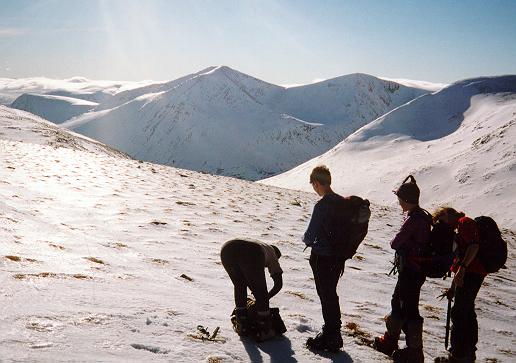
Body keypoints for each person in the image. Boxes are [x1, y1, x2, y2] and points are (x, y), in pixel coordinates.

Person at [374, 175, 431, 363]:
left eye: (400, 198)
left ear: (406, 200)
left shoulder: (414, 219)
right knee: (398, 302)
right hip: (416, 269)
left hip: (411, 270)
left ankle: (414, 351)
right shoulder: (422, 217)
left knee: (409, 308)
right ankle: (391, 340)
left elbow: (395, 242)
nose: (398, 202)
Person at [303, 165, 346, 352]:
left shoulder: (321, 206)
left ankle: (331, 335)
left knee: (325, 295)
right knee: (331, 294)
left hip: (322, 258)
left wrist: (306, 240)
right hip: (338, 259)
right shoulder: (342, 202)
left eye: (313, 183)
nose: (313, 187)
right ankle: (333, 333)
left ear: (318, 183)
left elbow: (309, 236)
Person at [436, 213, 487, 363]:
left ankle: (458, 355)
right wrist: (452, 287)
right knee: (466, 310)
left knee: (459, 312)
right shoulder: (457, 231)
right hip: (472, 272)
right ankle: (468, 353)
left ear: (447, 215)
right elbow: (458, 261)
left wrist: (463, 268)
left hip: (473, 272)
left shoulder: (463, 223)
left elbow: (474, 246)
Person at [220, 238, 283, 340]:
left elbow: (249, 278)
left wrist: (257, 293)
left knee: (239, 285)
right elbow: (278, 284)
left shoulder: (262, 245)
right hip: (252, 251)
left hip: (227, 248)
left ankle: (242, 324)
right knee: (261, 293)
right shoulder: (272, 253)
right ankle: (264, 330)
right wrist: (263, 298)